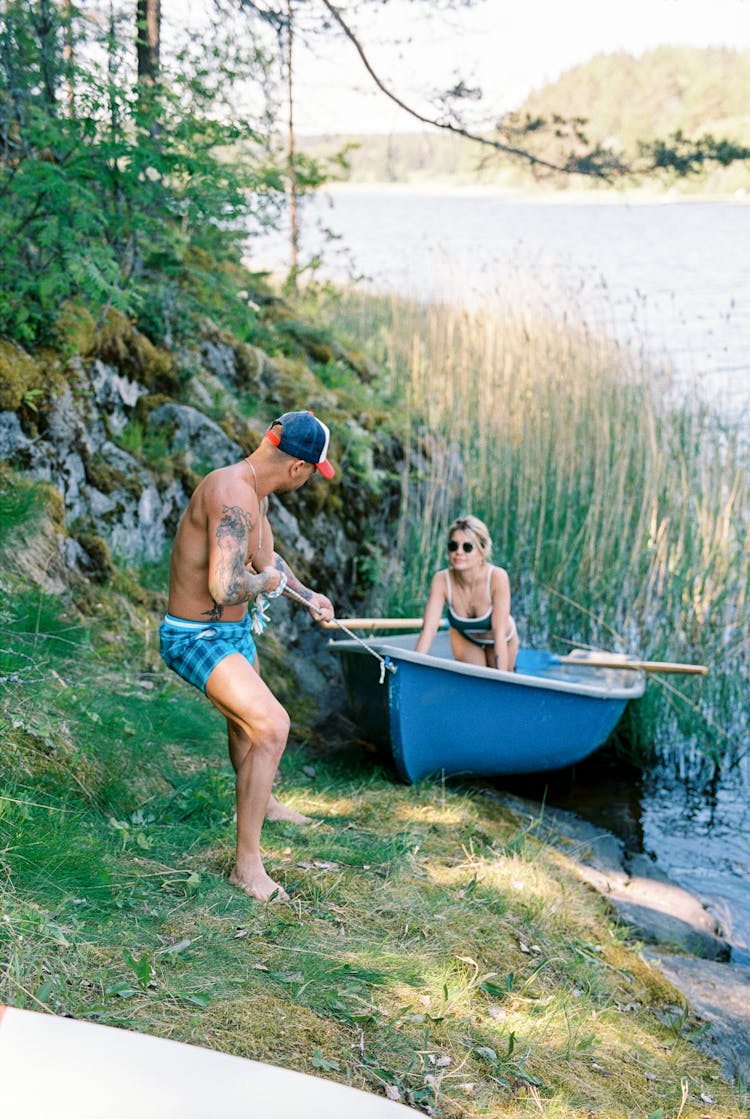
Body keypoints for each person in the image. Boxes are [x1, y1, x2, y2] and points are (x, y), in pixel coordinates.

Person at [159, 411, 336, 902]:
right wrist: (267, 585)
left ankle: (265, 804)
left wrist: (306, 594)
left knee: (246, 725)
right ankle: (247, 867)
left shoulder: (254, 491)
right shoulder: (231, 491)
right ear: (299, 468)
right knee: (272, 726)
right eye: (312, 475)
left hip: (233, 631)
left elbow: (265, 559)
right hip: (197, 637)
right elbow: (227, 583)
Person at [415, 515, 518, 672]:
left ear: (482, 551)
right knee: (477, 685)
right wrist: (412, 670)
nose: (459, 552)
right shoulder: (441, 580)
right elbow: (428, 631)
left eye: (467, 547)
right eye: (453, 546)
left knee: (498, 683)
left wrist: (502, 682)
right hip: (465, 638)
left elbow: (499, 635)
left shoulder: (497, 577)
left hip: (501, 639)